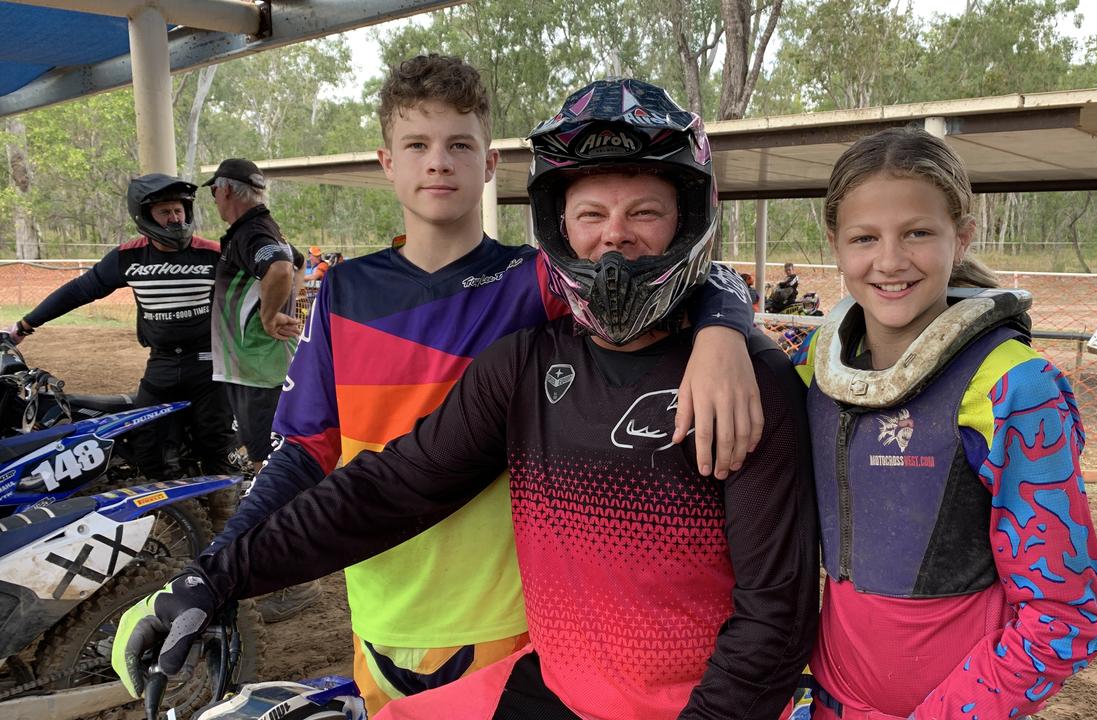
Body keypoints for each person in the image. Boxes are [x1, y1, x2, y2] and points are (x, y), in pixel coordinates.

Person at [114, 76, 818, 720]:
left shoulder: (742, 382)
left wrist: (727, 322)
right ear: (558, 226)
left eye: (646, 212)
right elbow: (385, 487)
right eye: (591, 214)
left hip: (661, 692)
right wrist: (214, 577)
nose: (614, 237)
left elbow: (776, 617)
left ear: (685, 220)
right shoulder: (519, 361)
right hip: (524, 671)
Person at [801, 127, 1097, 720]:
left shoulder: (1015, 387)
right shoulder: (812, 365)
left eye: (917, 232)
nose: (890, 261)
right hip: (827, 702)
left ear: (961, 235)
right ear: (835, 245)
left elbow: (1067, 616)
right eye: (865, 237)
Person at [3, 174, 237, 478]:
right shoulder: (129, 257)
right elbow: (79, 291)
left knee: (216, 443)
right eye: (165, 212)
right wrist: (25, 325)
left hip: (210, 364)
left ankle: (225, 514)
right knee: (149, 445)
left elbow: (267, 276)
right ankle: (178, 511)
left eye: (179, 211)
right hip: (163, 362)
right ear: (145, 216)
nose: (175, 219)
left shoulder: (213, 253)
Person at [203, 158, 305, 472]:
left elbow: (281, 267)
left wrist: (270, 315)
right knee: (268, 451)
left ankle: (274, 518)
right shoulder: (268, 229)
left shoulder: (250, 232)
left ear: (225, 191)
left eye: (214, 193)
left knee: (266, 459)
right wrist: (287, 304)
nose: (216, 200)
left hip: (256, 369)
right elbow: (298, 263)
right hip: (258, 365)